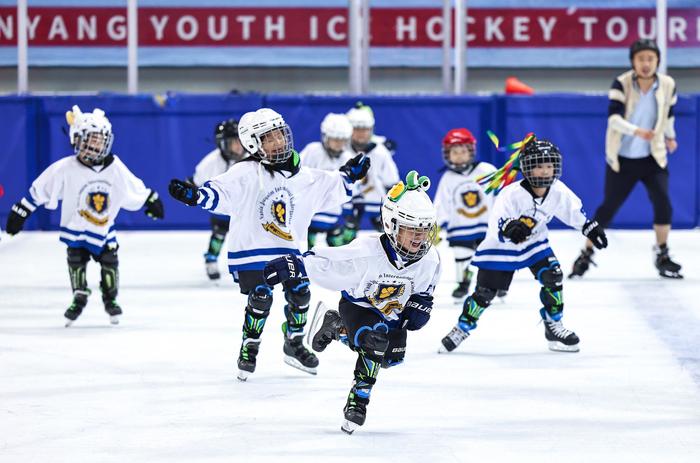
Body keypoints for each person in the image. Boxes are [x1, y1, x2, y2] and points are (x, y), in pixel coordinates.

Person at [168, 108, 370, 381]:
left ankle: (294, 343)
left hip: (288, 250)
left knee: (300, 294)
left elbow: (331, 185)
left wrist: (348, 175)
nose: (279, 142)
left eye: (280, 135)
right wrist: (196, 196)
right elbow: (221, 192)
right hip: (252, 250)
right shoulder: (246, 172)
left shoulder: (305, 176)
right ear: (254, 145)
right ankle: (249, 345)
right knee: (261, 296)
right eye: (269, 138)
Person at [263, 171, 441, 434]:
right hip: (359, 306)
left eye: (424, 230)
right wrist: (295, 265)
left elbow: (424, 293)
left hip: (390, 314)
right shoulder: (366, 253)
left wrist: (419, 307)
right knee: (374, 342)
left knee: (390, 359)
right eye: (412, 229)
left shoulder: (431, 259)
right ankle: (358, 401)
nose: (419, 237)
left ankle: (335, 327)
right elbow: (329, 261)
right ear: (392, 225)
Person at [439, 134, 607, 354]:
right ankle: (462, 327)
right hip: (501, 249)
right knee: (485, 293)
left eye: (549, 165)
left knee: (553, 277)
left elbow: (573, 212)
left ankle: (553, 325)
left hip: (534, 244)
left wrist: (590, 227)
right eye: (538, 166)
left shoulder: (557, 190)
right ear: (526, 168)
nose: (545, 171)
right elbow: (499, 220)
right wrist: (509, 227)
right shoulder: (511, 193)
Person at [4, 105, 164, 326]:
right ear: (78, 140)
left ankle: (110, 298)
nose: (98, 144)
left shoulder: (114, 167)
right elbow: (43, 188)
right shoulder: (66, 168)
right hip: (76, 228)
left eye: (101, 139)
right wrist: (22, 210)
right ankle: (79, 294)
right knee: (76, 261)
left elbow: (132, 186)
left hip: (104, 228)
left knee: (110, 262)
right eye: (92, 139)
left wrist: (149, 199)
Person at [569, 39, 681, 279]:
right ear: (633, 61)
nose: (646, 63)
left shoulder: (668, 84)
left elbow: (668, 115)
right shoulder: (621, 83)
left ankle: (662, 253)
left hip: (653, 157)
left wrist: (670, 137)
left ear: (657, 61)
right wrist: (636, 131)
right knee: (608, 208)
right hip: (623, 158)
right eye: (641, 58)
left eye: (650, 58)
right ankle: (586, 253)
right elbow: (613, 120)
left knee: (664, 203)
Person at [433, 128, 497, 300]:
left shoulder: (486, 170)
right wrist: (435, 226)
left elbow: (501, 193)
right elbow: (441, 204)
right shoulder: (448, 178)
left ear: (471, 151)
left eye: (463, 151)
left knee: (491, 255)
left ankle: (494, 283)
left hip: (487, 225)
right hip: (460, 226)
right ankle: (463, 283)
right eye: (455, 152)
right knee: (461, 254)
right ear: (447, 154)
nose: (460, 155)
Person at [192, 119, 247, 280]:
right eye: (233, 142)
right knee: (219, 232)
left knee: (245, 236)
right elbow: (196, 181)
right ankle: (211, 259)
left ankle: (244, 264)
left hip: (244, 207)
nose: (238, 146)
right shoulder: (211, 162)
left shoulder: (251, 158)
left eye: (240, 142)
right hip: (222, 206)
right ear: (223, 144)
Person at [298, 113, 355, 249]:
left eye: (342, 141)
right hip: (309, 216)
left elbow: (351, 189)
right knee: (305, 252)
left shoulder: (348, 158)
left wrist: (350, 219)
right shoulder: (312, 151)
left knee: (340, 252)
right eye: (335, 140)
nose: (338, 144)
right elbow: (297, 179)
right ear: (325, 137)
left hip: (333, 218)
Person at [345, 103, 400, 239]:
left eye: (365, 129)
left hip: (376, 203)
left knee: (387, 240)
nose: (361, 133)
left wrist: (393, 206)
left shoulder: (381, 152)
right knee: (342, 240)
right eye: (357, 129)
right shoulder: (343, 150)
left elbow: (391, 180)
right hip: (348, 203)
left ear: (371, 130)